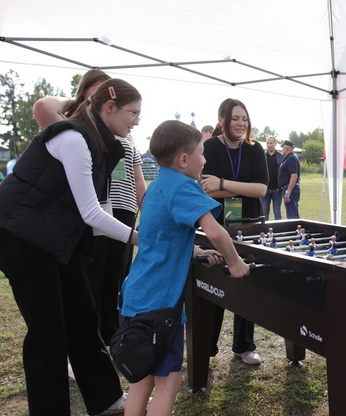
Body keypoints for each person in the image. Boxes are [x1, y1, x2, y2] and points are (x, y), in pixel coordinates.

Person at [0, 78, 142, 415]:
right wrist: (135, 236)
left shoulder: (99, 140)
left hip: (56, 244)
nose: (136, 122)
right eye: (133, 113)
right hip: (23, 244)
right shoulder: (73, 137)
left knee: (83, 317)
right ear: (109, 107)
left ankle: (107, 400)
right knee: (48, 332)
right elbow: (90, 211)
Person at [120, 120, 250, 416]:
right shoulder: (184, 186)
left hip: (133, 298)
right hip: (160, 308)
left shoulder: (156, 187)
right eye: (202, 153)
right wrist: (236, 263)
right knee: (169, 382)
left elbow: (157, 236)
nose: (204, 160)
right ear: (183, 159)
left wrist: (193, 250)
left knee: (142, 381)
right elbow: (217, 232)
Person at [33, 68, 147, 345]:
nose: (135, 121)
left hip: (123, 211)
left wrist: (150, 217)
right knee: (90, 282)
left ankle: (110, 337)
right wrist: (83, 102)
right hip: (94, 215)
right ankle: (89, 340)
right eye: (96, 91)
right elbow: (42, 106)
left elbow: (139, 183)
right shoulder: (75, 127)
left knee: (116, 281)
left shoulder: (126, 134)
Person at [200, 98, 268, 365]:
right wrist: (244, 186)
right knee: (214, 282)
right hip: (216, 224)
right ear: (221, 120)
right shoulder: (209, 147)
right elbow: (208, 188)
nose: (241, 124)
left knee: (246, 282)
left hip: (251, 223)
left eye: (244, 118)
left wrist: (225, 183)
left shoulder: (255, 149)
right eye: (235, 118)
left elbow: (262, 189)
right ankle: (207, 345)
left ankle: (244, 345)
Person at [261, 136, 284, 220]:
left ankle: (278, 231)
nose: (269, 145)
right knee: (264, 212)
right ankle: (265, 231)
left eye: (271, 143)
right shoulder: (262, 156)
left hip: (277, 190)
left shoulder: (281, 157)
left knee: (277, 212)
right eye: (268, 143)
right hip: (265, 190)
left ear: (275, 144)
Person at [278, 139, 301, 219]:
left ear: (286, 149)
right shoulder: (291, 158)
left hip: (290, 188)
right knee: (291, 212)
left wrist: (288, 192)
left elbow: (294, 176)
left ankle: (295, 230)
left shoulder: (291, 158)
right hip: (290, 187)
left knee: (292, 214)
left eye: (282, 148)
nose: (282, 150)